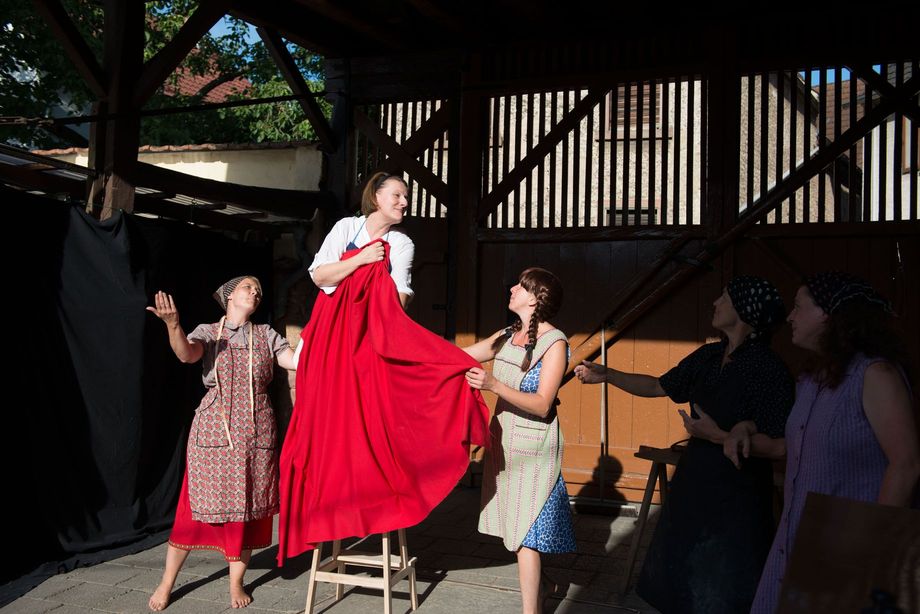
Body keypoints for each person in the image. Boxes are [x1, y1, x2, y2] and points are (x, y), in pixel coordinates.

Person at [277, 174, 489, 564]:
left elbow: (401, 298)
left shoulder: (401, 243)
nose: (405, 202)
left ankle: (381, 495)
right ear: (376, 197)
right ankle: (326, 509)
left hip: (369, 340)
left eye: (407, 197)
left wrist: (372, 283)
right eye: (397, 195)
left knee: (378, 417)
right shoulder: (347, 228)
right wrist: (361, 260)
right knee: (322, 428)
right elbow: (320, 276)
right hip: (328, 340)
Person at [575, 275, 794, 613]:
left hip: (737, 493)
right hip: (694, 482)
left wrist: (719, 435)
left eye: (724, 297)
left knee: (723, 586)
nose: (715, 303)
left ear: (744, 310)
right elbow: (659, 386)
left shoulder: (768, 368)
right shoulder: (709, 356)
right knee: (680, 579)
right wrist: (609, 375)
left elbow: (779, 442)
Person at [746, 273, 920, 613]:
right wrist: (741, 432)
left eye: (798, 307)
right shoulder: (811, 379)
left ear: (828, 314)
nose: (790, 317)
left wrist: (874, 552)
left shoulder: (875, 374)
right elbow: (796, 448)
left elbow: (907, 465)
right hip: (797, 537)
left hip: (853, 544)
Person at [146, 276, 296, 610]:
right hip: (214, 432)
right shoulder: (209, 331)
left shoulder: (266, 334)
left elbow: (295, 361)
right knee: (192, 511)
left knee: (248, 512)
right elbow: (187, 354)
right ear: (229, 296)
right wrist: (173, 326)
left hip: (256, 433)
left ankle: (235, 583)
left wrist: (324, 335)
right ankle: (166, 582)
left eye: (258, 290)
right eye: (248, 287)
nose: (255, 292)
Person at [464, 267, 575, 614]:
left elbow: (543, 404)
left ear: (535, 299)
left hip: (535, 447)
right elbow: (462, 355)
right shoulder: (508, 334)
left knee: (526, 534)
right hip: (504, 442)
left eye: (521, 286)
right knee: (515, 527)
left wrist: (494, 385)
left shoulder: (554, 343)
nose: (512, 288)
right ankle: (544, 585)